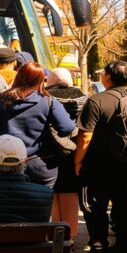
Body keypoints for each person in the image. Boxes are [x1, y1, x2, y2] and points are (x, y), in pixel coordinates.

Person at [71, 60, 127, 253]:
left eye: (103, 74)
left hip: (99, 165)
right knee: (123, 206)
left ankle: (98, 250)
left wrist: (78, 162)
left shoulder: (97, 100)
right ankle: (123, 247)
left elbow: (85, 136)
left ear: (108, 77)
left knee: (94, 207)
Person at [0, 62, 75, 187]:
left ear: (18, 77)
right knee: (42, 202)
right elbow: (66, 128)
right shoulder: (48, 102)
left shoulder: (0, 100)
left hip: (2, 163)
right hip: (39, 163)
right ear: (40, 81)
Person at [45, 67, 87, 239]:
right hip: (75, 152)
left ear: (51, 81)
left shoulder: (45, 97)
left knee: (53, 193)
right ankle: (71, 234)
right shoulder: (84, 98)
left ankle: (54, 232)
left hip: (49, 151)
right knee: (70, 193)